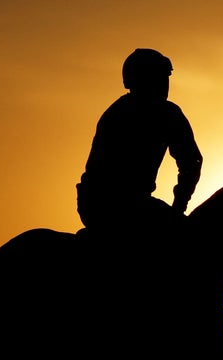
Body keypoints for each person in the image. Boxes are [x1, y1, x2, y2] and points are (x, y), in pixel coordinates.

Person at [76, 48, 203, 241]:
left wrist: (178, 206)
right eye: (160, 77)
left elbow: (191, 162)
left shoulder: (119, 111)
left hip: (104, 203)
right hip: (117, 205)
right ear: (145, 80)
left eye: (165, 78)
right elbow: (191, 162)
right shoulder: (159, 114)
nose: (165, 84)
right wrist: (178, 208)